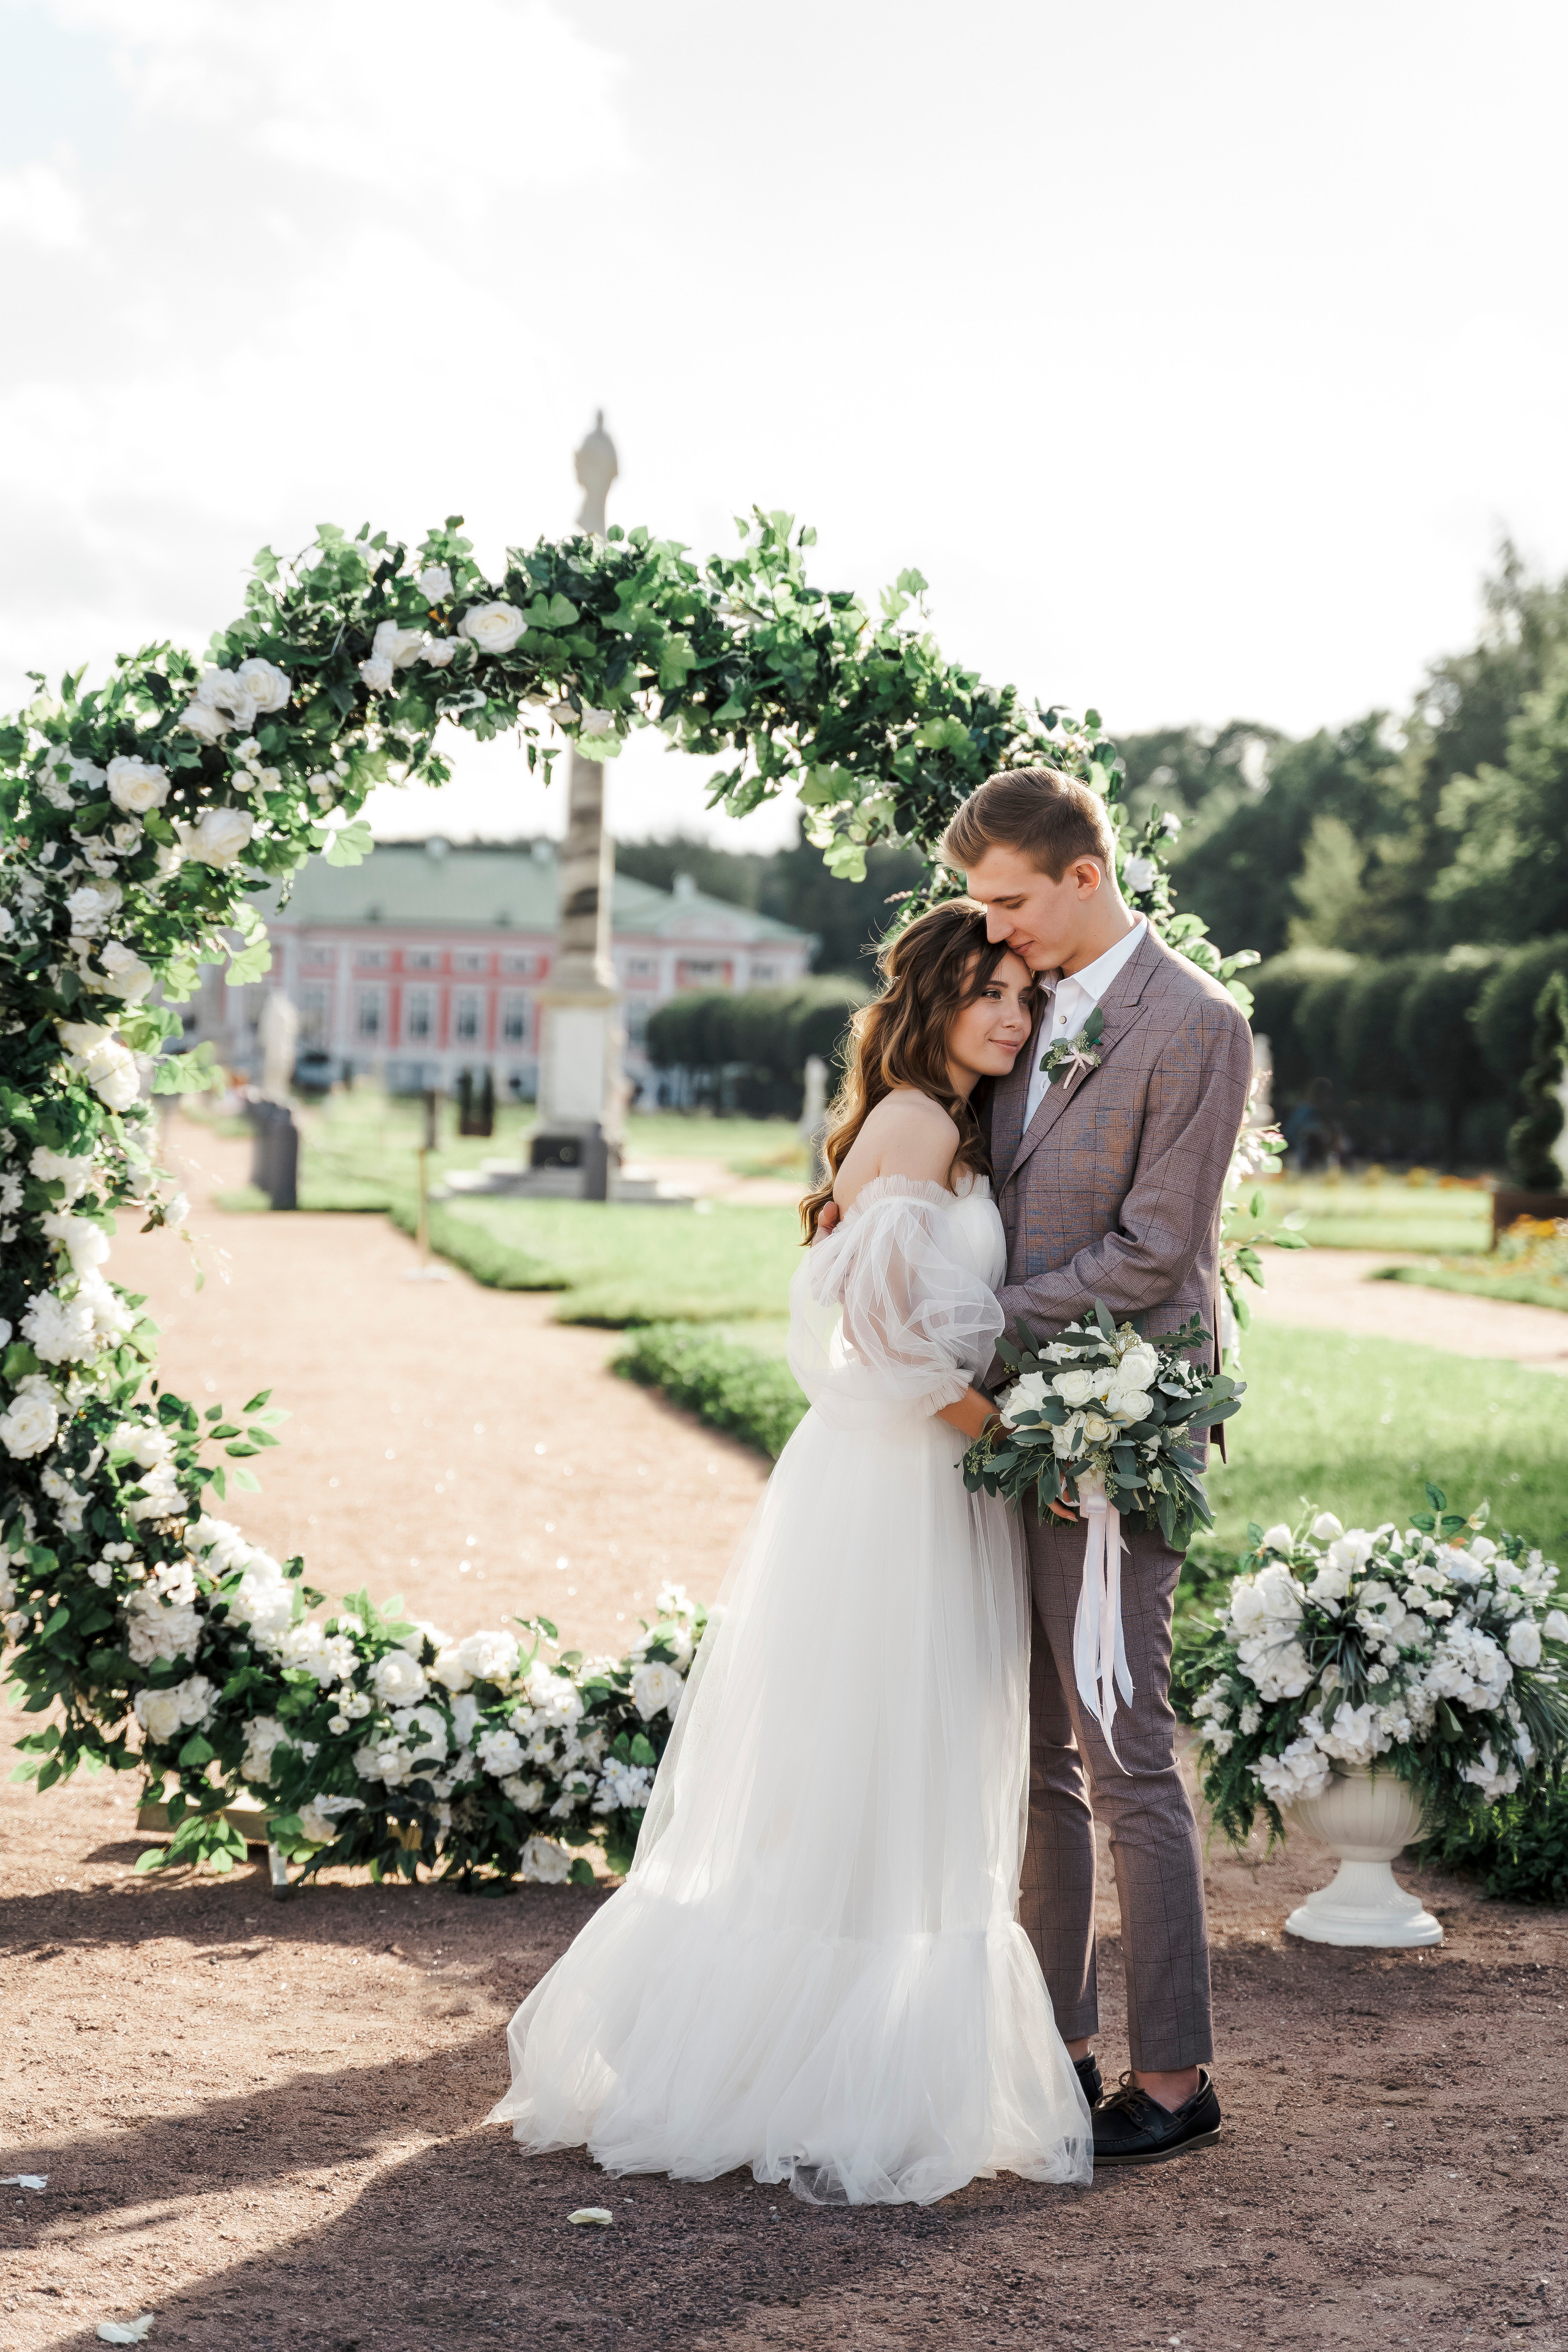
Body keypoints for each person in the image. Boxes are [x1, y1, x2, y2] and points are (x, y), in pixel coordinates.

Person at [488, 903, 1094, 2203]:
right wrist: (1027, 1449)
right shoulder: (921, 1126)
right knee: (873, 1758)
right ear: (927, 1000)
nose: (1009, 1013)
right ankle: (810, 2072)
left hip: (911, 1476)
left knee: (884, 1763)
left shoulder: (939, 1123)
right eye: (984, 991)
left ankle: (845, 2054)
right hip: (897, 1484)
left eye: (1022, 996)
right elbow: (891, 1341)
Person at [938, 764, 1253, 2166]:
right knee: (1036, 1758)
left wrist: (972, 1327)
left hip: (1117, 1421)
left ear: (1081, 874)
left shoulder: (1195, 1024)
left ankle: (1175, 2077)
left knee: (1123, 1749)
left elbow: (1154, 1249)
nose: (990, 932)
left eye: (1006, 900)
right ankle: (1055, 2046)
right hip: (1007, 1427)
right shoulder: (1020, 1004)